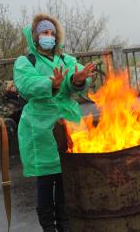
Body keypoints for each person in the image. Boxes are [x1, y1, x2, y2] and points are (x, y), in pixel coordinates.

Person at [13, 13, 96, 232]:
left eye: (52, 33)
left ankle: (65, 223)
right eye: (44, 32)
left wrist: (77, 80)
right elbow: (26, 84)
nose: (48, 37)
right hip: (40, 125)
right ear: (35, 36)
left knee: (65, 177)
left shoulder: (66, 59)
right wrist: (51, 83)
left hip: (68, 122)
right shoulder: (25, 62)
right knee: (45, 179)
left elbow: (77, 76)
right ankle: (48, 226)